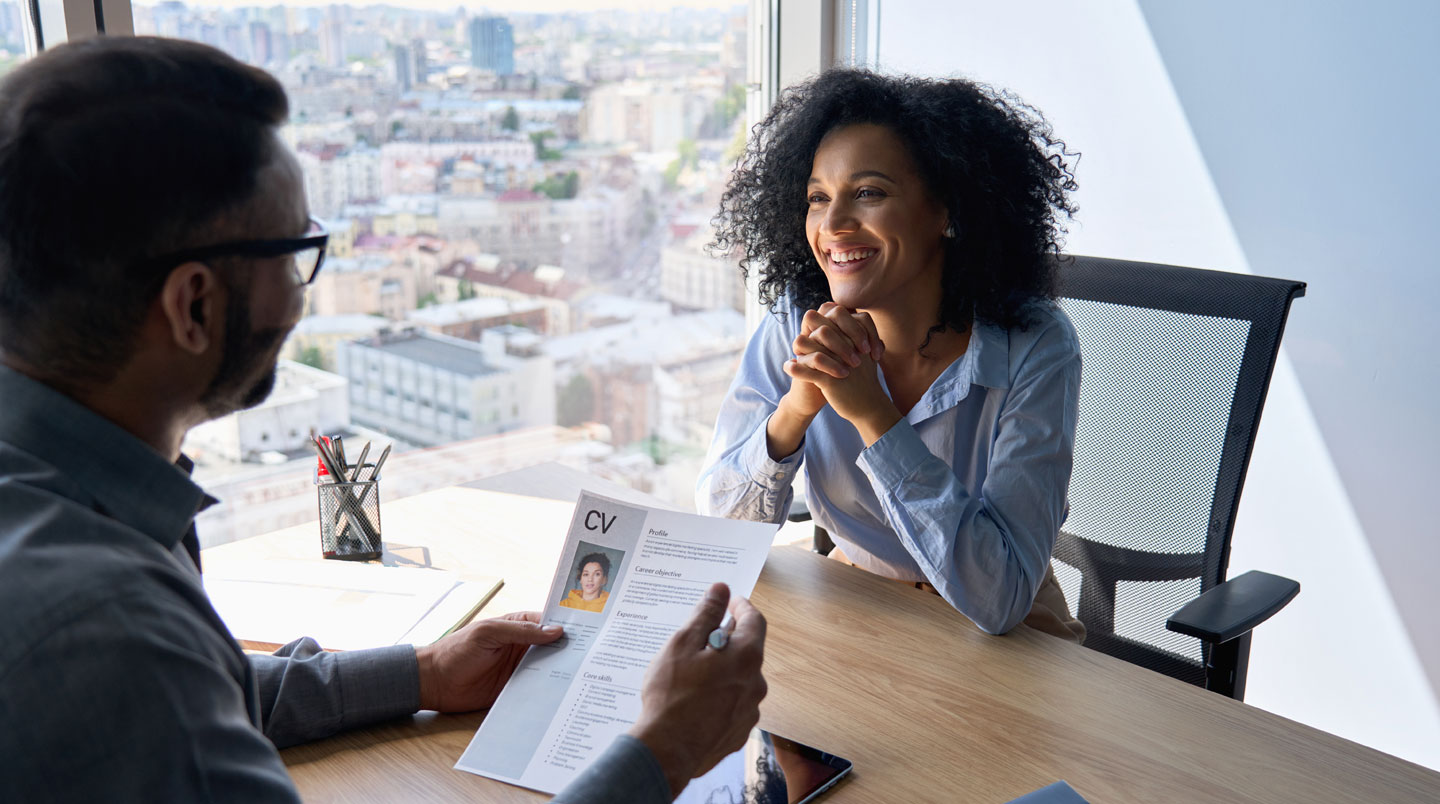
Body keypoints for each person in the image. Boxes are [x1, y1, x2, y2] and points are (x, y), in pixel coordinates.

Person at [0, 36, 767, 803]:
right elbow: (147, 683)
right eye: (298, 252)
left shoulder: (54, 509)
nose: (302, 297)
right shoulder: (100, 628)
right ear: (194, 305)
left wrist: (421, 672)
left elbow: (192, 698)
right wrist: (665, 749)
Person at [698, 69, 1086, 642]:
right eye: (817, 198)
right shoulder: (797, 318)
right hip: (857, 606)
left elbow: (1000, 596)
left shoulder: (1034, 344)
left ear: (947, 209)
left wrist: (873, 416)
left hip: (1007, 636)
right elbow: (719, 529)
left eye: (868, 193)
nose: (832, 226)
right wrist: (796, 410)